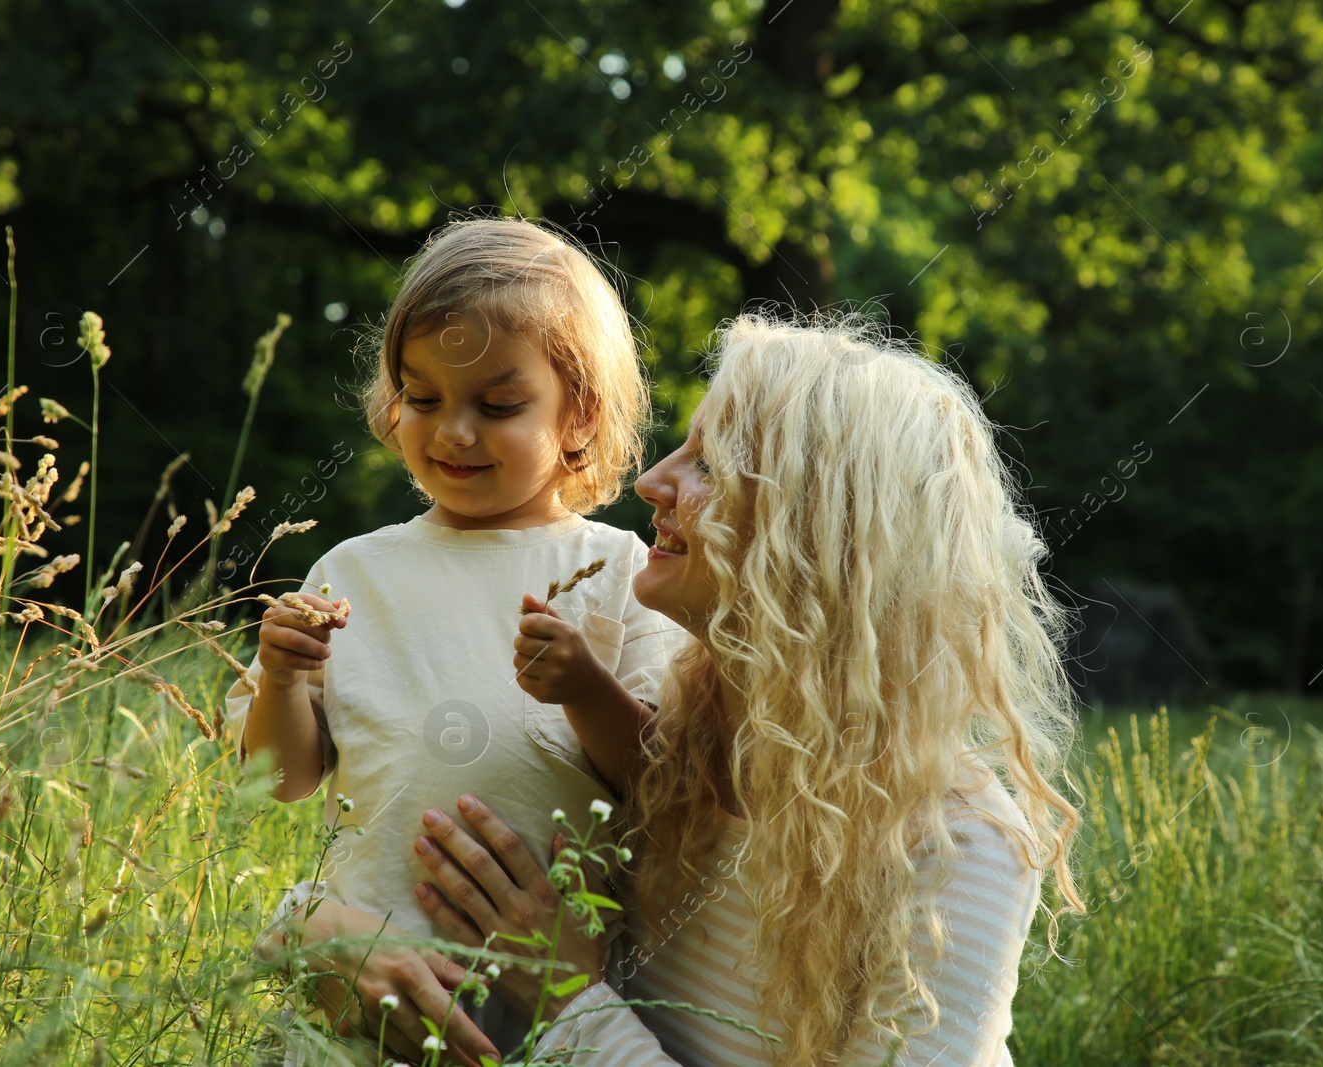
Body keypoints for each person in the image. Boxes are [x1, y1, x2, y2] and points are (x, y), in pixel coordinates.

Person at [403, 313, 1089, 1066]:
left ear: (817, 538)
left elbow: (570, 994)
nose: (652, 481)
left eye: (709, 466)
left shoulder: (957, 843)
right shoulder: (672, 745)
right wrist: (316, 931)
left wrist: (570, 1000)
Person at [223, 217, 687, 1064]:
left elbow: (659, 788)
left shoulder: (618, 570)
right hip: (366, 987)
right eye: (422, 398)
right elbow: (281, 781)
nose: (453, 432)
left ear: (578, 410)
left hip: (542, 995)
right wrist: (282, 682)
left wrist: (586, 688)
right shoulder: (354, 572)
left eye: (498, 405)